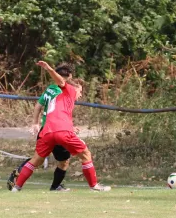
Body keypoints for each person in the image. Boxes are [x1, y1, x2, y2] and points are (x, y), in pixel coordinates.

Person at [8, 61, 110, 192]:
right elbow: (61, 81)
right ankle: (94, 186)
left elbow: (56, 113)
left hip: (47, 132)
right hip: (62, 132)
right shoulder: (68, 89)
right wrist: (49, 68)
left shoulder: (57, 96)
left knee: (35, 160)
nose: (81, 94)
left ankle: (16, 188)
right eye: (80, 91)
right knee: (85, 154)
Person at [7, 63, 76, 192]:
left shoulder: (50, 88)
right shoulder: (63, 91)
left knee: (37, 159)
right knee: (63, 161)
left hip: (45, 129)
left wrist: (35, 123)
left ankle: (18, 175)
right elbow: (61, 113)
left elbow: (38, 105)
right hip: (57, 130)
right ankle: (55, 187)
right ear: (70, 76)